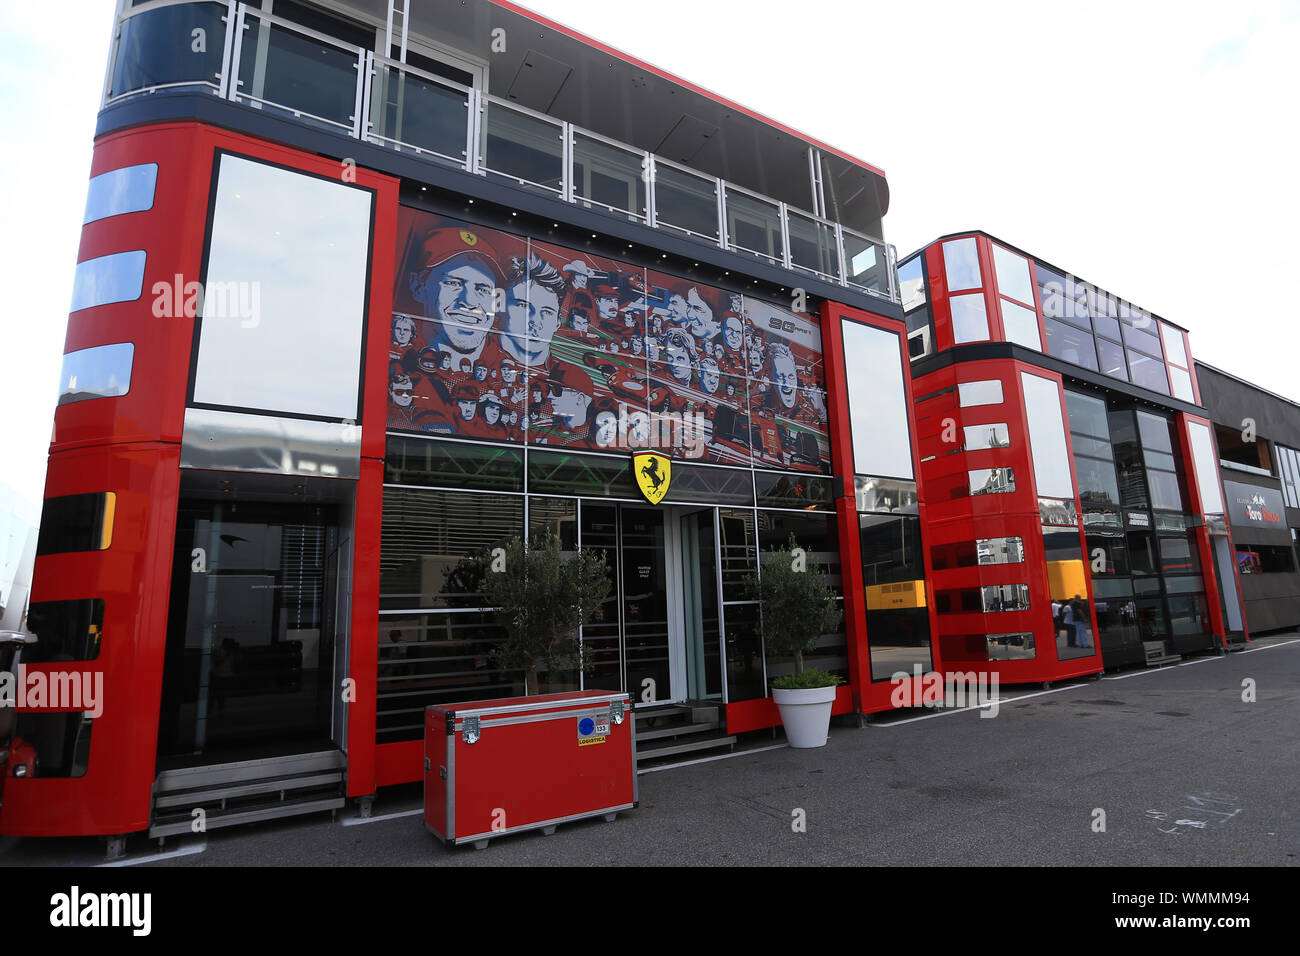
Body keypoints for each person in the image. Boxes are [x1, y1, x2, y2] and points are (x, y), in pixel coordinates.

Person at [407, 226, 503, 370]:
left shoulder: (507, 368)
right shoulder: (399, 357)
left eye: (483, 289)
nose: (469, 301)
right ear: (418, 287)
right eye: (453, 283)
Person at [497, 252, 566, 371]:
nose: (535, 322)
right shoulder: (475, 358)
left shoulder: (573, 380)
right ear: (499, 305)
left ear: (557, 323)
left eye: (547, 312)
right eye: (523, 306)